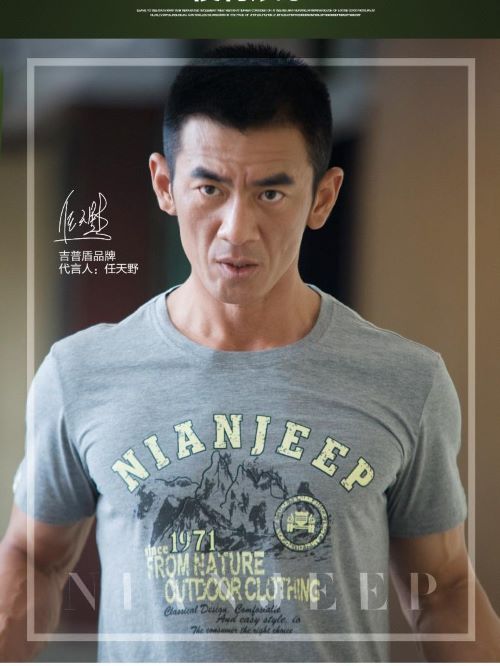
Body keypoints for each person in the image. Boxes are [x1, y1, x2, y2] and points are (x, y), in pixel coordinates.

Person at [0, 43, 499, 663]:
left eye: (271, 194)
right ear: (165, 185)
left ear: (322, 198)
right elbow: (35, 558)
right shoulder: (81, 374)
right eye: (210, 187)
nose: (236, 229)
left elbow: (444, 587)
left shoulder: (405, 380)